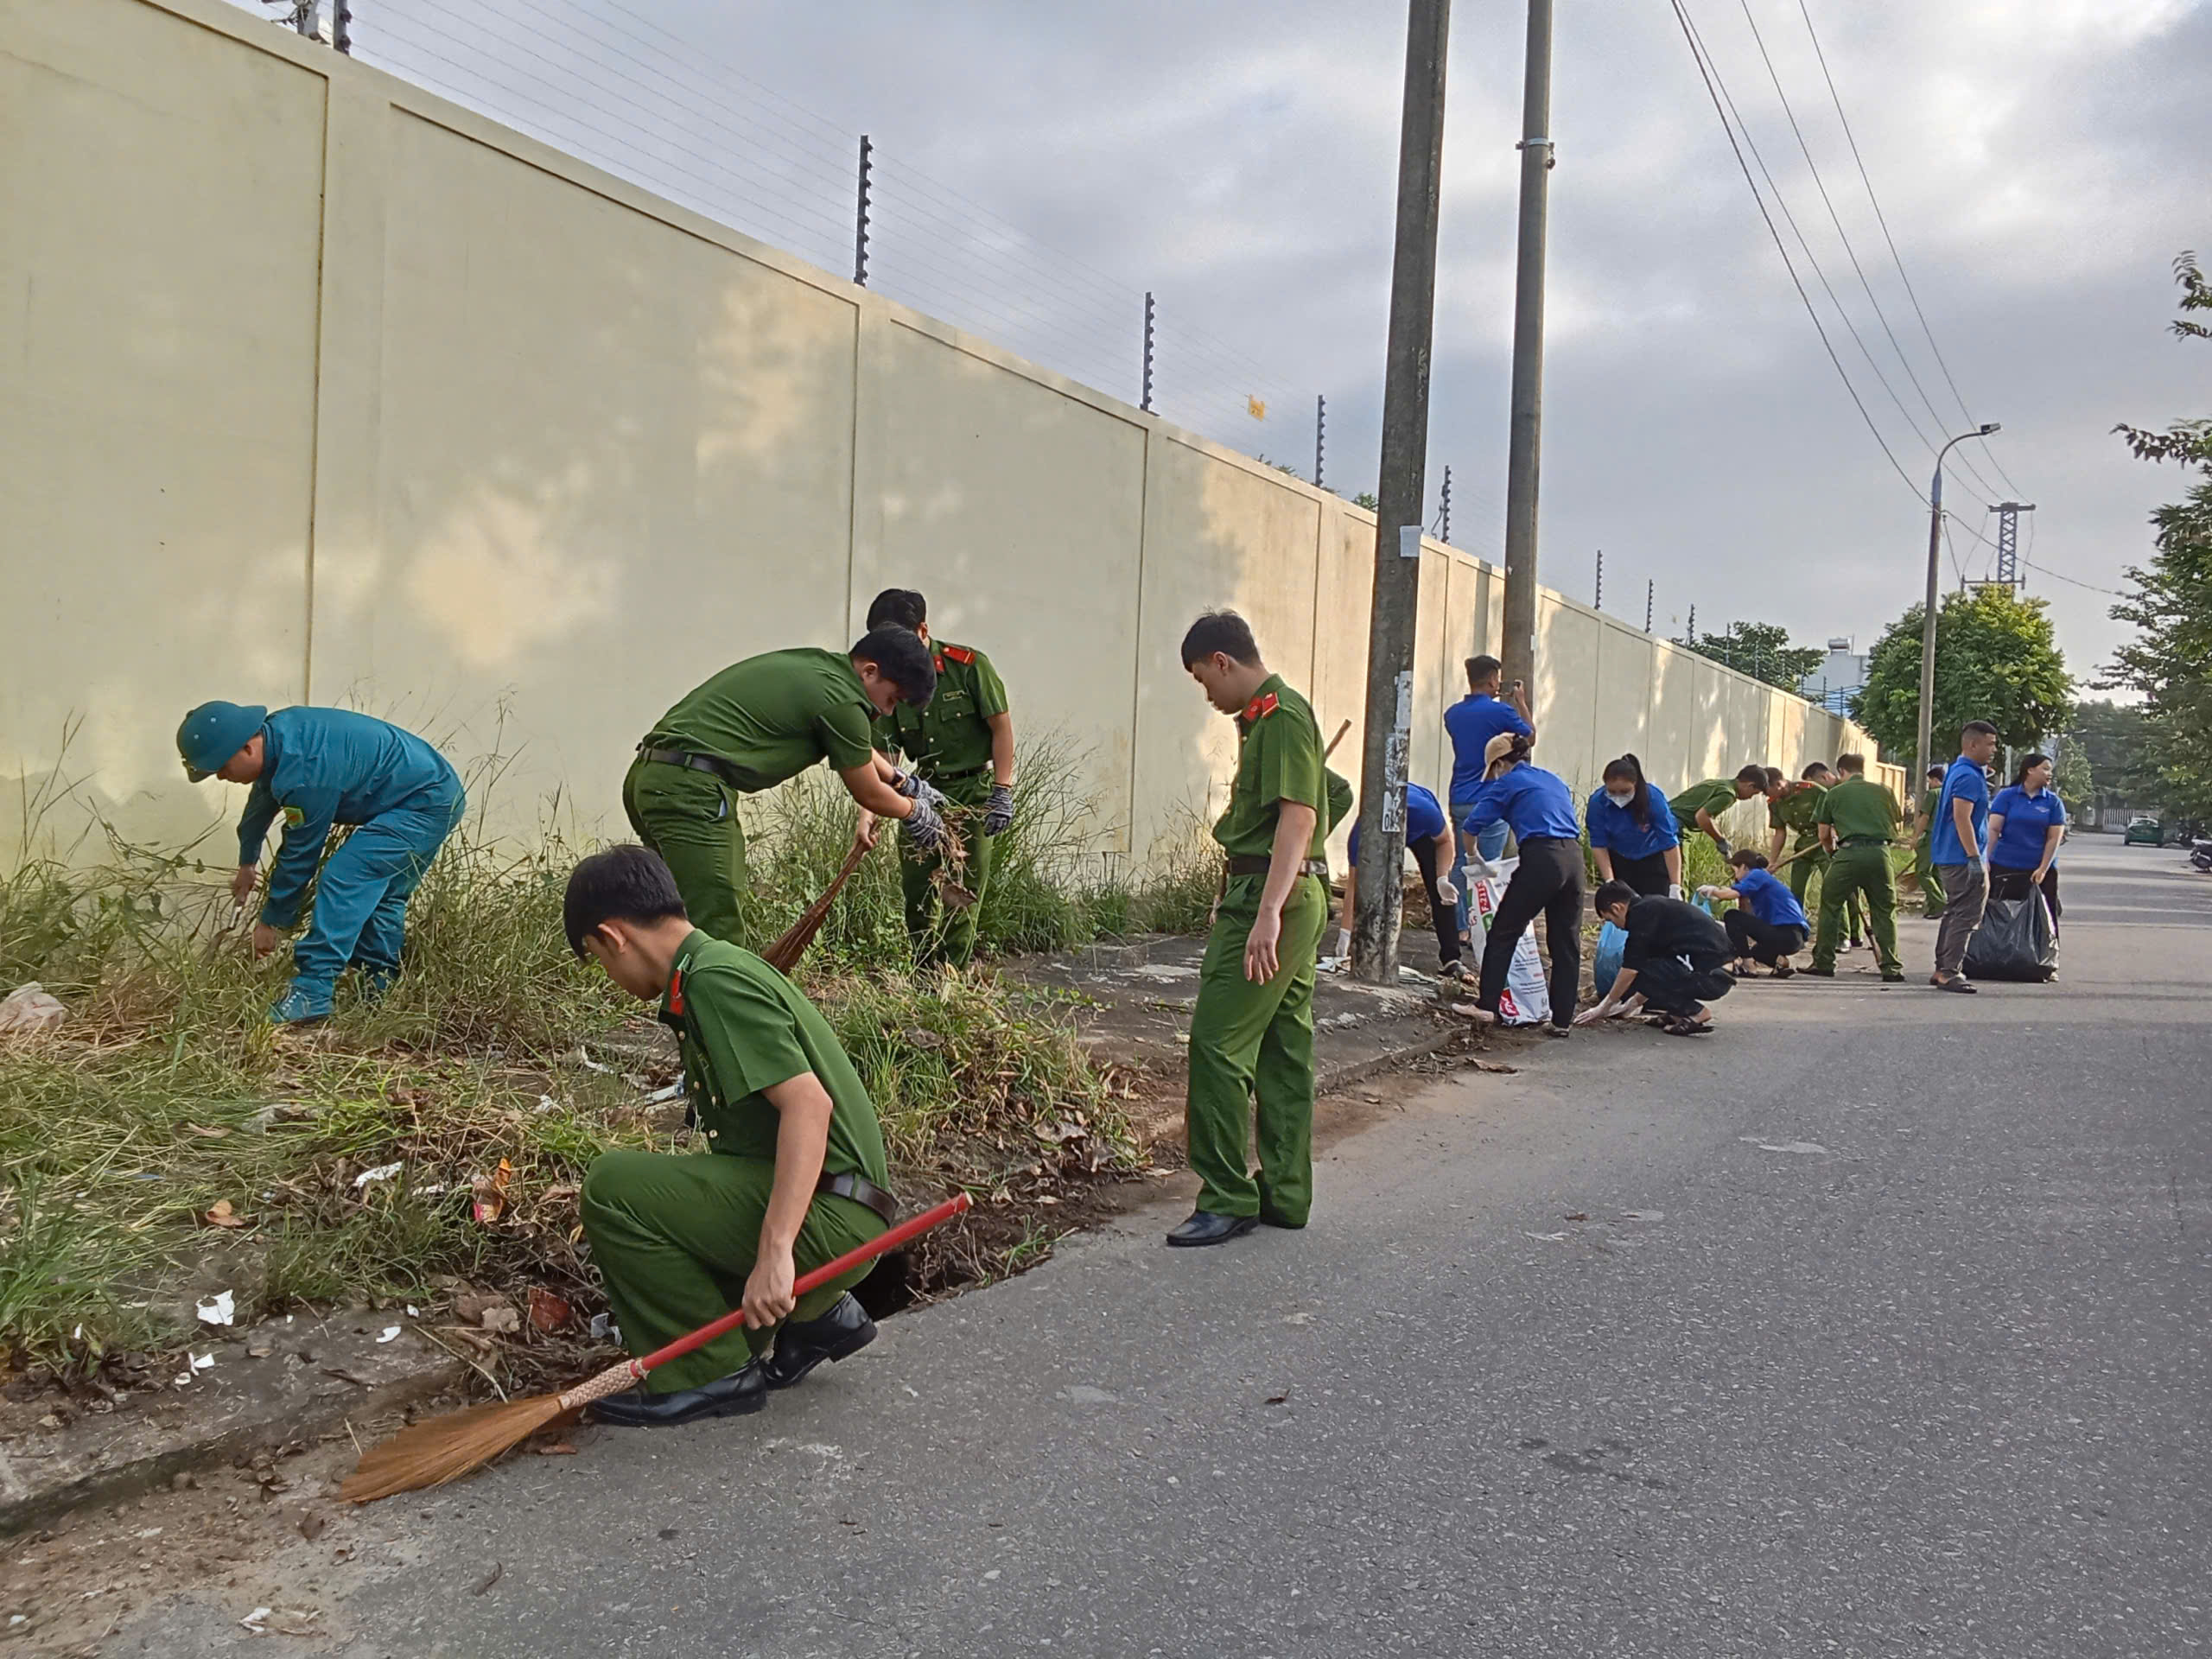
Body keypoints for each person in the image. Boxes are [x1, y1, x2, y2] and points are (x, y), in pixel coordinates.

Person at [564, 845, 893, 1427]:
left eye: (597, 959)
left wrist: (775, 1254)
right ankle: (816, 1316)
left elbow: (808, 1107)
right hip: (843, 1208)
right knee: (678, 1203)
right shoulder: (711, 968)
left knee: (612, 1187)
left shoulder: (713, 981)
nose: (609, 979)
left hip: (837, 1217)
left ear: (614, 937)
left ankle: (710, 1374)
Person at [1170, 610, 1331, 1248]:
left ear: (1223, 661)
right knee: (1283, 1048)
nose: (1207, 694)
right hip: (1285, 891)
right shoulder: (1267, 718)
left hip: (1272, 900)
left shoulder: (1281, 716)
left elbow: (1301, 815)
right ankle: (1285, 1195)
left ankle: (1226, 1197)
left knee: (1217, 1045)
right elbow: (1334, 792)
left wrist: (1267, 910)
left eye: (1202, 679)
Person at [625, 632, 947, 946]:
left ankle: (670, 982)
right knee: (716, 926)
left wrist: (903, 782)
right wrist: (915, 812)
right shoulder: (844, 703)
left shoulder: (822, 671)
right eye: (892, 699)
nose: (889, 712)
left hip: (651, 776)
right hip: (690, 790)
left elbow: (860, 750)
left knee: (674, 918)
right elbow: (869, 793)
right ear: (870, 671)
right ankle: (712, 984)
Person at [176, 702, 465, 1025]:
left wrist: (272, 922)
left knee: (346, 877)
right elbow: (261, 801)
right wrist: (247, 863)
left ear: (247, 748)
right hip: (434, 795)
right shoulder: (278, 736)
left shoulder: (305, 771)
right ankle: (376, 992)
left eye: (222, 767)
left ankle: (312, 992)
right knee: (383, 898)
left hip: (425, 804)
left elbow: (300, 855)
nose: (221, 776)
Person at [865, 589, 1016, 969]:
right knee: (916, 888)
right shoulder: (893, 682)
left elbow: (1001, 728)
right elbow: (885, 757)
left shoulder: (969, 667)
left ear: (922, 631)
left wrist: (1002, 790)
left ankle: (951, 975)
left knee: (962, 893)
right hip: (923, 794)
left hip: (974, 794)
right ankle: (922, 971)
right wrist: (869, 814)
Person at [1452, 733, 1582, 1037]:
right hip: (1575, 859)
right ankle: (1562, 1020)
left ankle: (1487, 1005)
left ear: (1499, 763)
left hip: (1542, 857)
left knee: (1504, 930)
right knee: (1566, 941)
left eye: (1494, 769)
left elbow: (1471, 827)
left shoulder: (1508, 783)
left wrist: (1473, 857)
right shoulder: (1552, 779)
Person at [1334, 781, 1464, 978]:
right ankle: (1369, 946)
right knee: (1375, 885)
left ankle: (1452, 959)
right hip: (1380, 834)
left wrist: (1442, 878)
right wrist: (1345, 935)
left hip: (1422, 834)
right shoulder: (1361, 835)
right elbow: (1354, 886)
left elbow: (1445, 841)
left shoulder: (1425, 813)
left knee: (1442, 894)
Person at [1574, 880, 1735, 1035]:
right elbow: (1659, 968)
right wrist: (1632, 1004)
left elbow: (1632, 969)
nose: (1615, 926)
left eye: (1610, 920)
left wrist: (1604, 1006)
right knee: (1649, 968)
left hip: (1712, 977)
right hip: (1718, 973)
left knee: (1638, 971)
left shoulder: (1641, 917)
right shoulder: (1652, 908)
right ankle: (1676, 1013)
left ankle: (1696, 1012)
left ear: (1617, 908)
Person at [1808, 753, 1904, 982]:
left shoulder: (1834, 793)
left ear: (1841, 771)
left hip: (1848, 854)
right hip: (1880, 853)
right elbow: (1895, 824)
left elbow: (1823, 835)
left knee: (1831, 905)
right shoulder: (1884, 791)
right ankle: (1891, 967)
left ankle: (1824, 962)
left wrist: (1832, 852)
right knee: (1884, 909)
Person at [1929, 719, 2001, 992]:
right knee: (1966, 915)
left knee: (1954, 912)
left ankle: (1942, 968)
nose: (1994, 750)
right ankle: (1950, 971)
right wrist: (1973, 857)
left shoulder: (1958, 771)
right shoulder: (1969, 776)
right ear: (1973, 744)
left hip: (1950, 854)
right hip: (1962, 857)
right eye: (1990, 744)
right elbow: (1962, 817)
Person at [1443, 655, 1535, 867]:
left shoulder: (1452, 714)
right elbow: (1530, 738)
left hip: (1459, 796)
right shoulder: (1501, 711)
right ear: (1493, 680)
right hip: (1491, 796)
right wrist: (1521, 702)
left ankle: (1460, 891)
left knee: (1463, 861)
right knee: (1490, 865)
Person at [1766, 763, 1866, 950]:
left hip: (1825, 844)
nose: (1766, 795)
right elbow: (1780, 832)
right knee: (1796, 891)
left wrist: (1833, 836)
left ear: (1779, 783)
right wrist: (1773, 861)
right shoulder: (1774, 803)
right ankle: (1797, 933)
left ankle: (1843, 936)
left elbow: (1835, 814)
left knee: (1834, 889)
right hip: (1804, 846)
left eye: (1768, 790)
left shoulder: (1812, 790)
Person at [1987, 753, 2067, 936]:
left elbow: (2054, 838)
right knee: (2001, 916)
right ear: (2030, 770)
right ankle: (1999, 951)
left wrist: (2043, 869)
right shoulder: (2007, 796)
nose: (2050, 774)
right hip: (2005, 866)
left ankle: (2042, 951)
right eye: (2045, 769)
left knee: (2043, 918)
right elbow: (1993, 829)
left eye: (2050, 770)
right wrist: (1986, 859)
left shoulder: (2053, 802)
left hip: (2038, 871)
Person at [1585, 754, 1682, 899]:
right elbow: (1599, 844)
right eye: (1612, 792)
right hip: (1619, 859)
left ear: (1635, 784)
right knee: (1625, 905)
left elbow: (1669, 843)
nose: (1618, 797)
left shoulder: (1653, 798)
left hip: (1653, 859)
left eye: (1625, 791)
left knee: (1657, 905)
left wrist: (1675, 886)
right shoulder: (1597, 802)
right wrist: (1610, 882)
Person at [1700, 849, 1809, 977]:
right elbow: (1749, 920)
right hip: (1794, 938)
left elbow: (1731, 895)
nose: (1735, 876)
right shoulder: (1763, 879)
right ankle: (1781, 963)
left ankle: (1748, 965)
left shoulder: (1756, 874)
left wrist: (1712, 891)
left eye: (1735, 870)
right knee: (1756, 951)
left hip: (1787, 933)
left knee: (1732, 916)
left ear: (1744, 867)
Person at [1666, 766, 1769, 855]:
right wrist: (1720, 840)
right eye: (1753, 793)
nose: (1750, 798)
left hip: (1664, 818)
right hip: (1677, 826)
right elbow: (1701, 817)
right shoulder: (1728, 795)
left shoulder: (1718, 784)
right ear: (1750, 785)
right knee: (1679, 869)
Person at [1910, 762, 1948, 919]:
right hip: (1944, 838)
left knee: (1923, 872)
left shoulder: (1933, 794)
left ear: (1935, 780)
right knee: (1936, 872)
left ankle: (1940, 904)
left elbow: (1925, 817)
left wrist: (1915, 837)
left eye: (1929, 781)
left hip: (1931, 836)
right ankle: (1935, 906)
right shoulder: (1949, 793)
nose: (1929, 784)